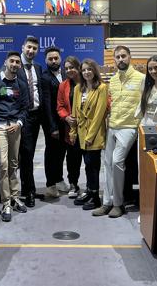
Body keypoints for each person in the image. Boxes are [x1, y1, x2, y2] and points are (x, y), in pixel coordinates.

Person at [94, 45, 144, 218]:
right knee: (107, 164)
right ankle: (107, 202)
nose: (120, 59)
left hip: (129, 127)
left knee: (117, 162)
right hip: (112, 127)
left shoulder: (141, 79)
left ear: (130, 57)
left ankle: (118, 203)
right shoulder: (113, 81)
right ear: (114, 59)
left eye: (123, 56)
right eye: (117, 57)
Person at [0, 51, 29, 222]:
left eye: (17, 62)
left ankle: (15, 196)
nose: (15, 64)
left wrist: (18, 123)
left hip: (15, 127)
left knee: (13, 163)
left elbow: (25, 108)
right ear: (6, 62)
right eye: (12, 61)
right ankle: (6, 203)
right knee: (2, 164)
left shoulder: (21, 85)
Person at [70, 59, 108, 212]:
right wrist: (73, 131)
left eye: (89, 69)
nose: (86, 72)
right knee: (86, 164)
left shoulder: (102, 88)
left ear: (95, 71)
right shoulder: (79, 88)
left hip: (95, 133)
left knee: (93, 165)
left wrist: (90, 136)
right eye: (84, 70)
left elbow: (99, 114)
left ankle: (96, 197)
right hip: (81, 132)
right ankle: (89, 191)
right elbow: (74, 112)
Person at [17, 36, 44, 208]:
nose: (31, 51)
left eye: (34, 48)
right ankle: (28, 191)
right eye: (29, 47)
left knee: (29, 154)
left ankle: (26, 188)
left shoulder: (38, 68)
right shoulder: (13, 65)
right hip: (21, 116)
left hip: (36, 116)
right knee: (24, 155)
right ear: (23, 47)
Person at [40, 46, 70, 199]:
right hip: (51, 121)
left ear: (60, 58)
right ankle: (50, 184)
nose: (53, 61)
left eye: (56, 58)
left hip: (65, 120)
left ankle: (59, 179)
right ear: (46, 60)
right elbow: (46, 104)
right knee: (51, 152)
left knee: (61, 151)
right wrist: (52, 127)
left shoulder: (65, 73)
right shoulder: (44, 77)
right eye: (50, 59)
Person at [56, 56, 84, 199]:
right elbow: (60, 107)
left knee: (91, 160)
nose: (69, 70)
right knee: (73, 159)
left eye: (71, 67)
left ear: (78, 67)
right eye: (66, 68)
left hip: (89, 129)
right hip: (71, 129)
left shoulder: (89, 82)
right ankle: (73, 184)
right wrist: (66, 117)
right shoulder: (63, 85)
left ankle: (92, 187)